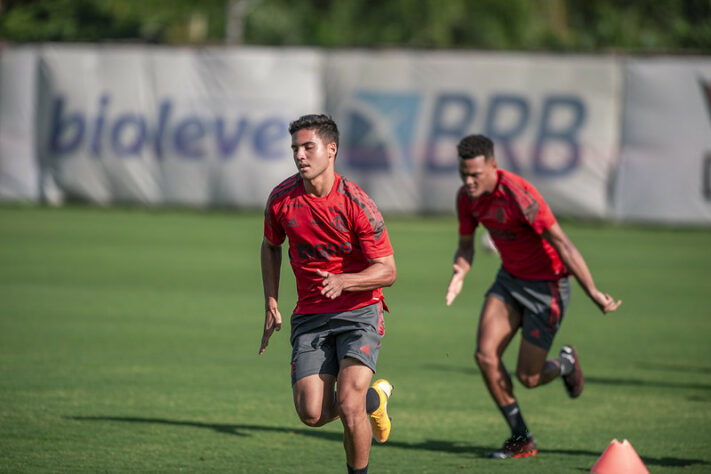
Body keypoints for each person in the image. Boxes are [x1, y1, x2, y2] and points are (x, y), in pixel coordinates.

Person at [445, 134, 621, 459]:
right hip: (509, 282)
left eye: (475, 175)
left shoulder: (519, 196)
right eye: (463, 174)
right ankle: (521, 437)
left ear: (493, 167)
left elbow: (563, 243)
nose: (468, 182)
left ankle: (566, 363)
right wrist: (460, 270)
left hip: (547, 288)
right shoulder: (466, 199)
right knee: (485, 356)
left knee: (528, 377)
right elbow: (466, 246)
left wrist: (594, 292)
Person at [260, 114, 397, 474]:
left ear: (331, 149)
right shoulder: (281, 199)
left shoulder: (356, 203)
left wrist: (344, 281)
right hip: (311, 316)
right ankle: (375, 398)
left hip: (359, 312)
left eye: (308, 147)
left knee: (349, 407)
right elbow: (270, 246)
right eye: (295, 148)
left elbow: (388, 270)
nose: (300, 155)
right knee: (312, 413)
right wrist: (271, 301)